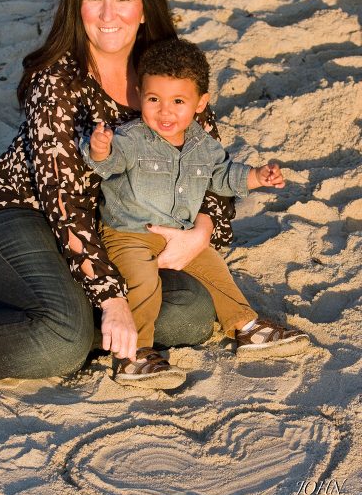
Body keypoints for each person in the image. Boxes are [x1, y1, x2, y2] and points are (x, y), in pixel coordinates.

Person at [0, 0, 235, 383]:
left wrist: (199, 233)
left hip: (112, 233)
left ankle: (42, 314)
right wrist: (112, 300)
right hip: (20, 219)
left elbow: (210, 166)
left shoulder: (169, 74)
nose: (108, 14)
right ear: (78, 5)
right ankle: (58, 320)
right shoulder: (56, 81)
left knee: (192, 312)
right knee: (62, 342)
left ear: (145, 8)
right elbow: (65, 204)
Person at [80, 38, 310, 388]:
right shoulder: (131, 137)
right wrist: (99, 148)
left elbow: (224, 175)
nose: (164, 111)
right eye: (154, 99)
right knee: (142, 282)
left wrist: (257, 177)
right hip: (128, 233)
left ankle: (245, 326)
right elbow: (108, 164)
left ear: (200, 103)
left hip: (178, 233)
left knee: (214, 267)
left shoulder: (204, 145)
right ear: (140, 93)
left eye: (178, 101)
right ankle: (133, 355)